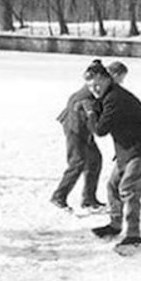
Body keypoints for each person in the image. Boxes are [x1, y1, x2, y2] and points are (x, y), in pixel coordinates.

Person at [82, 60, 141, 255]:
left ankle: (134, 236)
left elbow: (100, 130)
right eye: (90, 86)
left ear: (106, 79)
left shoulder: (114, 98)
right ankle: (115, 224)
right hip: (126, 149)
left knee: (128, 188)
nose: (94, 89)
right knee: (112, 186)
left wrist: (91, 112)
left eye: (97, 84)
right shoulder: (108, 94)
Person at [50, 62, 106, 212]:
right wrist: (83, 137)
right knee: (78, 162)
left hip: (83, 129)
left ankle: (89, 199)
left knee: (95, 160)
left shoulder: (98, 87)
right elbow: (78, 115)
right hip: (75, 129)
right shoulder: (88, 92)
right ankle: (58, 197)